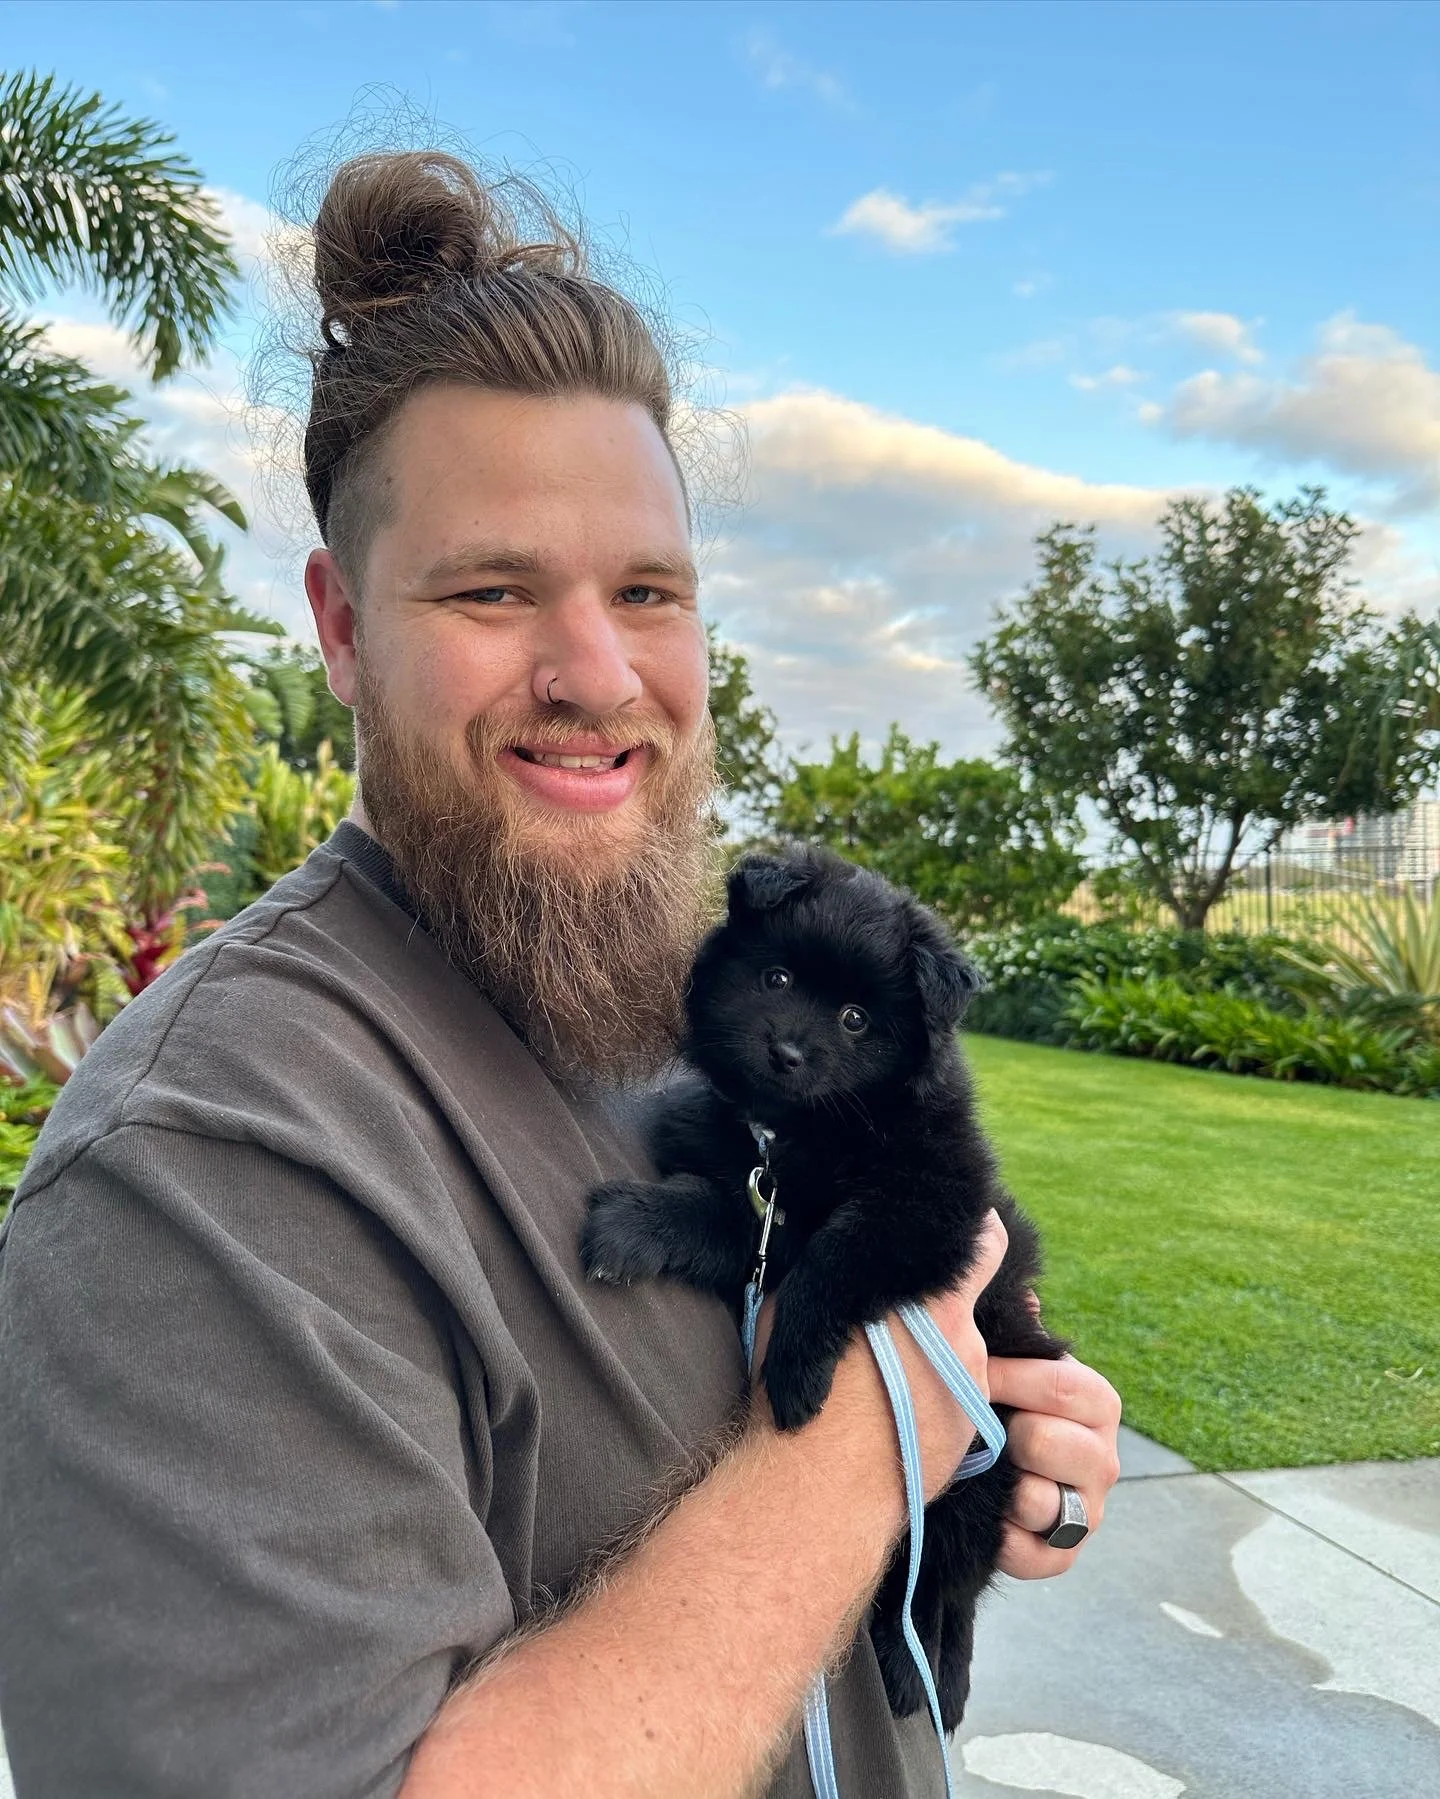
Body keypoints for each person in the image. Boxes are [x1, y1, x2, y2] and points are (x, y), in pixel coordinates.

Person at [0, 151, 1121, 1799]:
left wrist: (996, 1439)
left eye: (648, 591)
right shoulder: (206, 1166)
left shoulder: (674, 1008)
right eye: (492, 587)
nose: (598, 676)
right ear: (340, 625)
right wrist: (887, 1413)